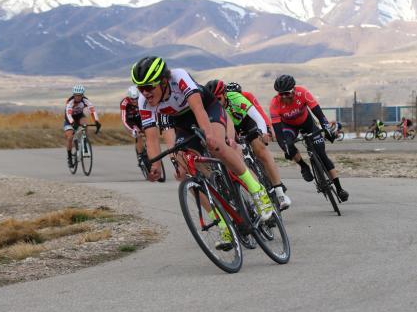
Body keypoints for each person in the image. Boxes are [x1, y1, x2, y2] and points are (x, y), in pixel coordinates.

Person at [131, 56, 274, 249]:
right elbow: (152, 136)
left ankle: (257, 191)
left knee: (218, 147)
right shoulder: (144, 102)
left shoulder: (179, 77)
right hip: (182, 123)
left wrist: (209, 136)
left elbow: (199, 110)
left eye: (149, 87)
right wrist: (155, 165)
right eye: (140, 88)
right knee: (184, 173)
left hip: (207, 109)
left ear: (163, 81)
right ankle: (223, 225)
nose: (145, 93)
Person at [205, 79, 291, 211]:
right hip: (231, 130)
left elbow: (257, 117)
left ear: (225, 94)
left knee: (260, 150)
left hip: (247, 122)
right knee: (236, 159)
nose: (217, 102)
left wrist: (263, 132)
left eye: (219, 98)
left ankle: (280, 193)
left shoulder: (236, 97)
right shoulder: (213, 107)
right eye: (214, 99)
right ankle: (257, 196)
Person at [269, 75, 349, 202]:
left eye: (286, 93)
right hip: (289, 126)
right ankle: (303, 166)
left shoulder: (303, 93)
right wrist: (285, 147)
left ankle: (339, 189)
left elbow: (319, 114)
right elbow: (279, 133)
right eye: (281, 94)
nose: (284, 97)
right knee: (288, 144)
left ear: (293, 90)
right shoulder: (275, 104)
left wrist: (327, 129)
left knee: (322, 155)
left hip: (308, 123)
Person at [64, 85, 101, 167]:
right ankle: (69, 157)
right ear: (74, 95)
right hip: (69, 118)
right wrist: (73, 123)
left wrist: (97, 121)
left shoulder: (85, 100)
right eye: (76, 95)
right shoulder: (70, 102)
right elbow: (68, 114)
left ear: (82, 95)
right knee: (70, 137)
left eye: (80, 95)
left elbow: (92, 111)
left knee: (85, 125)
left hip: (79, 116)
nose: (78, 97)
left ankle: (84, 141)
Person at [120, 85, 145, 157]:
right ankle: (140, 156)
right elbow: (124, 119)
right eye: (132, 99)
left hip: (140, 118)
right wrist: (132, 130)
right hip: (131, 121)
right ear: (128, 97)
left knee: (149, 132)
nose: (134, 101)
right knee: (138, 134)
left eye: (136, 99)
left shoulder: (142, 99)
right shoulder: (124, 103)